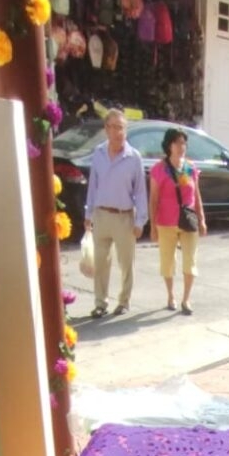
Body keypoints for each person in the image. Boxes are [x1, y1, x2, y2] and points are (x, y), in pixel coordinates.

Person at [84, 108, 148, 318]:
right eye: (114, 127)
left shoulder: (133, 157)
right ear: (106, 129)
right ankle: (100, 303)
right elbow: (93, 185)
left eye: (121, 128)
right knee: (101, 264)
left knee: (126, 263)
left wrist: (140, 221)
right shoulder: (99, 153)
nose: (118, 132)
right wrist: (88, 213)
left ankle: (123, 301)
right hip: (102, 215)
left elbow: (140, 191)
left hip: (124, 217)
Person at [149, 127, 207, 315]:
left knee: (190, 260)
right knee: (167, 261)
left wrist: (202, 218)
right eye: (177, 142)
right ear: (169, 145)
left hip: (188, 220)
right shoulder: (159, 169)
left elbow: (196, 194)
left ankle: (186, 299)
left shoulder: (190, 167)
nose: (181, 146)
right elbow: (154, 199)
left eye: (183, 142)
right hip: (165, 221)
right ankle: (170, 295)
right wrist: (152, 226)